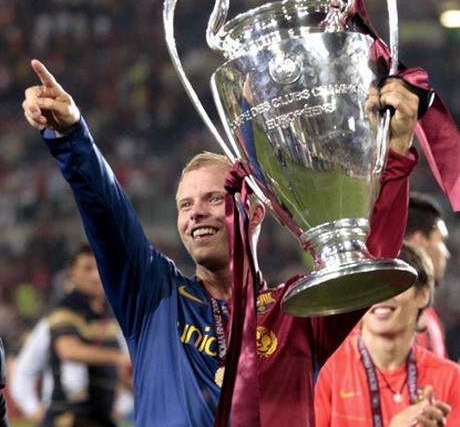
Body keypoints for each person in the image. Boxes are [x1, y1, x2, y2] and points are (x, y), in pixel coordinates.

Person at [22, 59, 420, 427]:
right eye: (185, 205)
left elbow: (368, 260)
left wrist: (397, 148)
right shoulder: (153, 297)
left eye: (214, 198)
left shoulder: (299, 311)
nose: (195, 212)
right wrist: (73, 136)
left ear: (255, 212)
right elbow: (108, 217)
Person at [314, 243, 460, 427]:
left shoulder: (451, 378)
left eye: (394, 284)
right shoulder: (327, 371)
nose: (381, 296)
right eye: (371, 286)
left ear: (423, 295)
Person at [24, 243, 131, 427]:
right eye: (87, 268)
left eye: (99, 267)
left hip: (102, 418)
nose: (95, 276)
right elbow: (68, 350)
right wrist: (118, 358)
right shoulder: (64, 309)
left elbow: (122, 372)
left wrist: (128, 400)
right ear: (72, 273)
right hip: (68, 418)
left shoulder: (110, 315)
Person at [405, 192, 450, 357]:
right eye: (441, 241)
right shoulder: (385, 313)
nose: (446, 254)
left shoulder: (430, 317)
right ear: (419, 241)